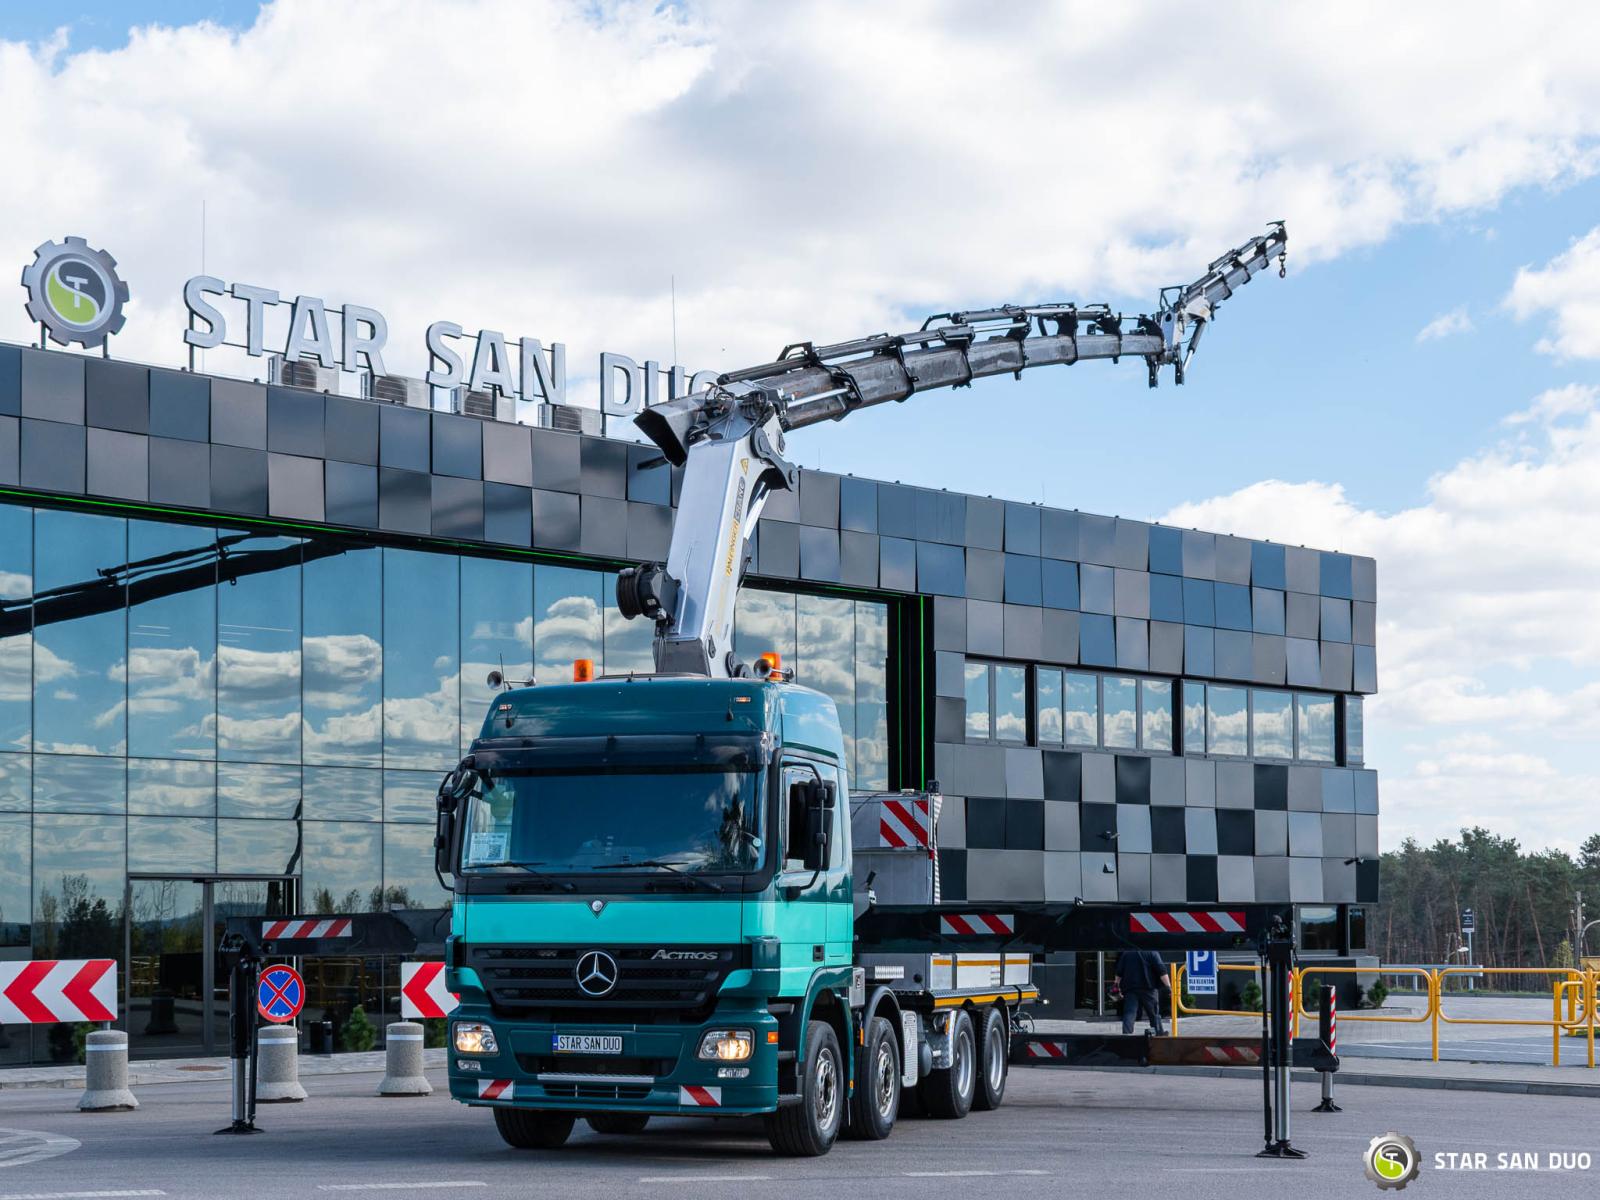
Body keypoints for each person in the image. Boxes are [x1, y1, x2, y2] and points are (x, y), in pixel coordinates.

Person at [1114, 948, 1170, 1035]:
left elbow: (1119, 973)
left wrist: (1116, 986)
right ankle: (1159, 1034)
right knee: (1153, 1013)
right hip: (1149, 988)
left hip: (1130, 988)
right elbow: (1162, 971)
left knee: (1129, 1013)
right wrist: (1168, 987)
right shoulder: (1152, 952)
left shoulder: (1126, 953)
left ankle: (1127, 1035)